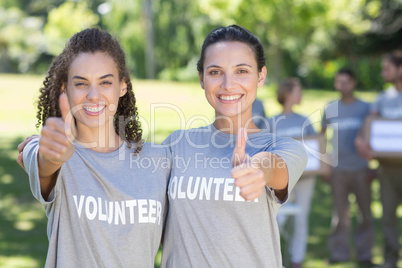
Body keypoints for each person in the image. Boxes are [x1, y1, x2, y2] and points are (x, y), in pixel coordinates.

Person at [20, 28, 170, 267]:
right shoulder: (52, 151)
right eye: (81, 83)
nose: (93, 95)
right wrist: (54, 156)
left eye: (105, 82)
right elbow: (43, 162)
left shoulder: (159, 159)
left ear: (123, 86)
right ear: (64, 88)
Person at [160, 25, 307, 267]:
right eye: (216, 72)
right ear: (202, 78)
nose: (228, 84)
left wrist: (258, 169)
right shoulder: (176, 144)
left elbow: (273, 168)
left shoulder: (283, 147)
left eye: (241, 71)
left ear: (260, 76)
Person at [322, 68, 374, 266]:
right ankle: (339, 253)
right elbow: (321, 136)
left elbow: (372, 135)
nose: (342, 86)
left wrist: (373, 163)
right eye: (339, 82)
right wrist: (325, 164)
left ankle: (365, 255)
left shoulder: (365, 108)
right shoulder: (330, 108)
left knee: (365, 215)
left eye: (346, 82)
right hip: (338, 170)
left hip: (361, 168)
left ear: (353, 83)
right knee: (340, 215)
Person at [356, 52, 402, 268]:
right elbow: (370, 121)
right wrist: (362, 141)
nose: (383, 73)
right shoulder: (383, 98)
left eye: (387, 69)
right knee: (388, 218)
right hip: (386, 169)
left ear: (400, 69)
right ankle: (390, 261)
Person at [268, 78, 317, 268]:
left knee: (301, 219)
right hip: (282, 180)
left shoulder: (304, 120)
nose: (301, 95)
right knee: (278, 219)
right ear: (287, 94)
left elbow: (315, 145)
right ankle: (274, 258)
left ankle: (297, 259)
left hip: (306, 178)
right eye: (298, 91)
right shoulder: (272, 122)